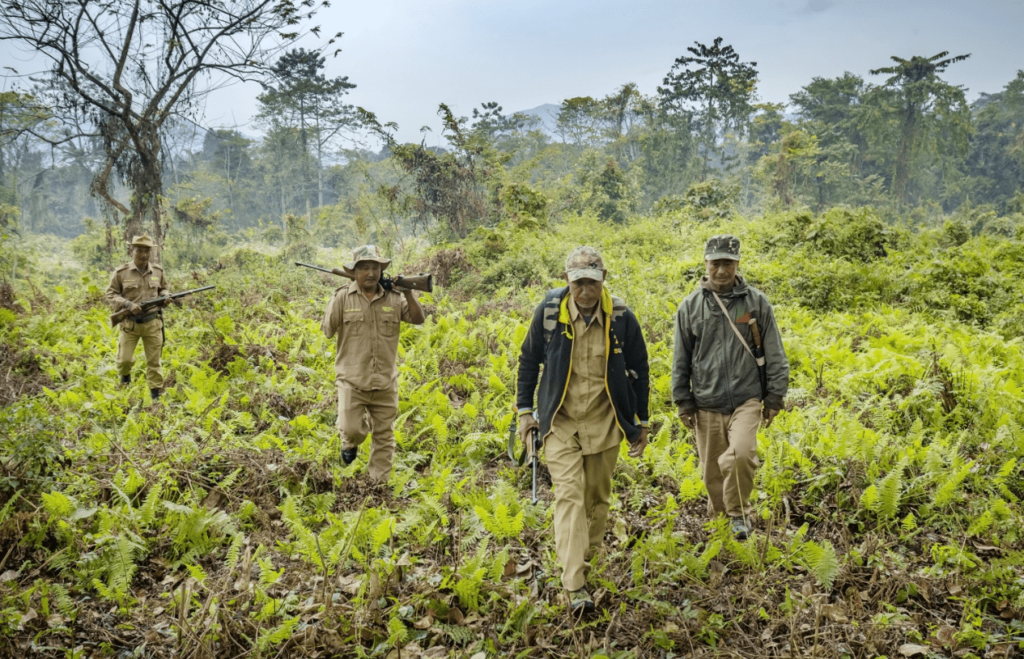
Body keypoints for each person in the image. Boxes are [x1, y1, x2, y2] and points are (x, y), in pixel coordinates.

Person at [516, 246, 650, 616]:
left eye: (592, 282)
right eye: (578, 284)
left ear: (603, 279)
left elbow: (640, 368)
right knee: (570, 495)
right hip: (560, 421)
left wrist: (641, 420)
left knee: (596, 499)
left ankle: (582, 557)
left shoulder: (621, 317)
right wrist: (525, 412)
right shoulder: (549, 314)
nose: (585, 291)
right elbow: (529, 362)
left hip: (605, 420)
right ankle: (575, 584)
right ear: (567, 282)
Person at [671, 234, 789, 540]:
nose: (721, 270)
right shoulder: (691, 307)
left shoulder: (755, 303)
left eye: (728, 263)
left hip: (746, 398)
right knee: (712, 472)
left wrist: (775, 395)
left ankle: (738, 513)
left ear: (737, 263)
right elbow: (680, 357)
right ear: (706, 263)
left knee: (740, 454)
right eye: (716, 263)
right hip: (706, 400)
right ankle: (724, 528)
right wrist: (683, 400)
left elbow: (775, 350)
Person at [321, 245, 425, 483]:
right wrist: (336, 298)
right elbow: (327, 330)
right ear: (354, 271)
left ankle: (377, 486)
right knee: (351, 429)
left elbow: (418, 319)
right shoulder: (342, 297)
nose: (370, 273)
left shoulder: (394, 298)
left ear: (381, 270)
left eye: (375, 268)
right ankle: (350, 442)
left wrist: (408, 291)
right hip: (352, 380)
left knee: (384, 436)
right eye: (364, 268)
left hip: (385, 381)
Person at [106, 234, 173, 401]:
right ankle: (125, 377)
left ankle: (155, 395)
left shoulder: (158, 271)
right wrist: (128, 305)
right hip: (130, 324)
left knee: (154, 362)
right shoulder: (121, 272)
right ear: (132, 251)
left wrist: (165, 297)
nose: (143, 255)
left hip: (152, 323)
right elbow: (111, 294)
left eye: (146, 251)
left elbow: (164, 289)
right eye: (139, 251)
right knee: (124, 360)